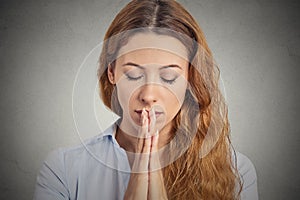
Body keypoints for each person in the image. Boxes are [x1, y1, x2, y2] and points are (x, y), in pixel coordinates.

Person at [34, 0, 258, 199]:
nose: (149, 95)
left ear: (190, 77)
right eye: (134, 75)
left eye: (169, 77)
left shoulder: (237, 172)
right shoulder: (64, 170)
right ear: (111, 72)